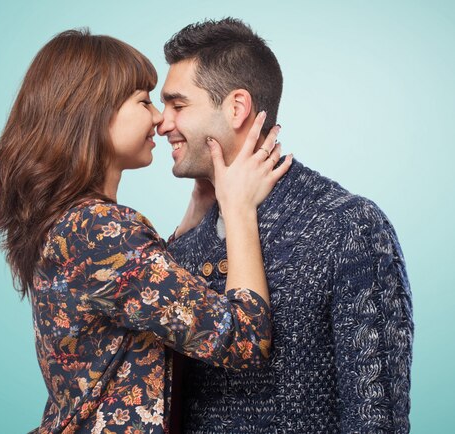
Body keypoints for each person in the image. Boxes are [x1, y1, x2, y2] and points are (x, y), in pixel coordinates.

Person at [0, 29, 292, 433]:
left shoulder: (74, 224)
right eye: (144, 101)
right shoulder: (102, 230)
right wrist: (238, 209)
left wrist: (197, 209)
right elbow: (245, 339)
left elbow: (145, 297)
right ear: (92, 113)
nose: (160, 119)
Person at [161, 18, 414, 433]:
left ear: (237, 108)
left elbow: (376, 417)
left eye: (178, 105)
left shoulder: (347, 227)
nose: (163, 122)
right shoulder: (186, 245)